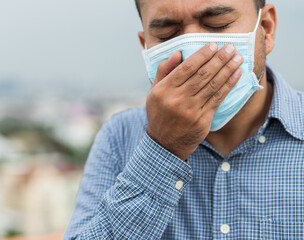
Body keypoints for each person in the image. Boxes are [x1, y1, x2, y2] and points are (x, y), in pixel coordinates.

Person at [64, 0, 304, 239]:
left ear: (266, 27)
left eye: (217, 24)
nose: (195, 55)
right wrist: (162, 148)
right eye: (167, 35)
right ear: (145, 45)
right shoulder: (120, 136)